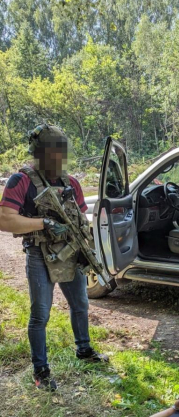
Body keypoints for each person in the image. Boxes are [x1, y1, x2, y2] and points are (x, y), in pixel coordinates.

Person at [0, 123, 108, 391]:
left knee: (81, 304)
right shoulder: (22, 180)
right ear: (40, 154)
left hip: (70, 251)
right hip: (39, 253)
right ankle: (41, 371)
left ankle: (84, 349)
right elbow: (5, 220)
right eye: (53, 153)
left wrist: (87, 250)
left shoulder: (71, 183)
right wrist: (44, 223)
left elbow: (81, 218)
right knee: (40, 315)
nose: (59, 159)